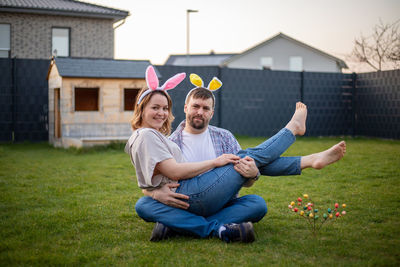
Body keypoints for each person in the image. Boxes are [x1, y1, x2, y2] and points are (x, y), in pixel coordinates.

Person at [126, 66, 346, 243]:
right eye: (196, 106)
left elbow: (246, 176)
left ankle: (177, 225)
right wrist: (154, 194)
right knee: (143, 204)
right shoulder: (168, 140)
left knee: (256, 201)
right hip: (187, 198)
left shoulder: (224, 137)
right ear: (185, 107)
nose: (199, 112)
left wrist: (252, 175)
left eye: (205, 108)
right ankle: (294, 137)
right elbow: (158, 174)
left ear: (212, 112)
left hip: (219, 201)